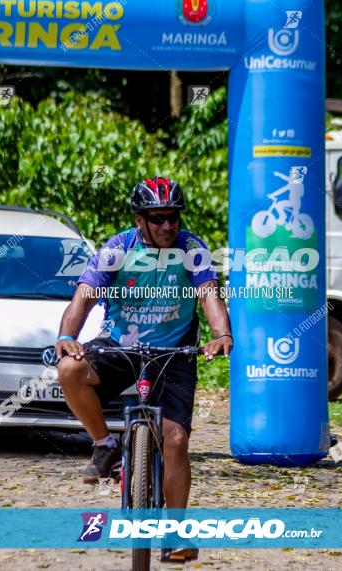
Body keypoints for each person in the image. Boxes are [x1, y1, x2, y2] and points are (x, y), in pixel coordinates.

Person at [55, 177, 233, 563]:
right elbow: (83, 298)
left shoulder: (192, 248)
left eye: (174, 218)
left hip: (174, 355)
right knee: (69, 369)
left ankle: (174, 534)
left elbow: (209, 296)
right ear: (140, 220)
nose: (169, 226)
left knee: (176, 440)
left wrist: (221, 333)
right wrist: (67, 336)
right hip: (119, 348)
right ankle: (105, 445)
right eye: (158, 218)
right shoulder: (117, 249)